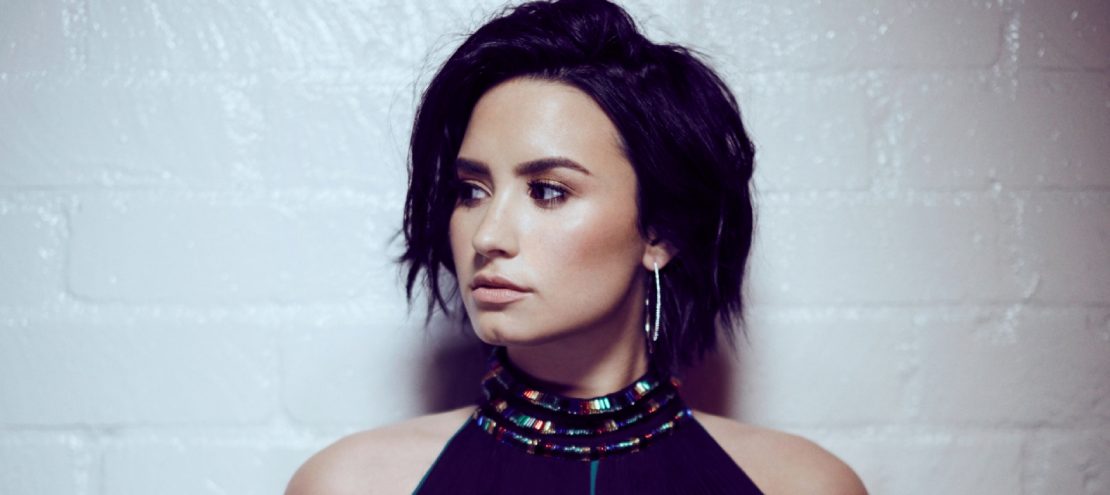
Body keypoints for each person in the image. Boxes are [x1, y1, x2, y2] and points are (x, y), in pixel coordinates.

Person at [287, 0, 867, 493]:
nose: (487, 236)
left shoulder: (803, 485)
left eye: (548, 191)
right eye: (471, 191)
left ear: (660, 232)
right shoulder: (352, 484)